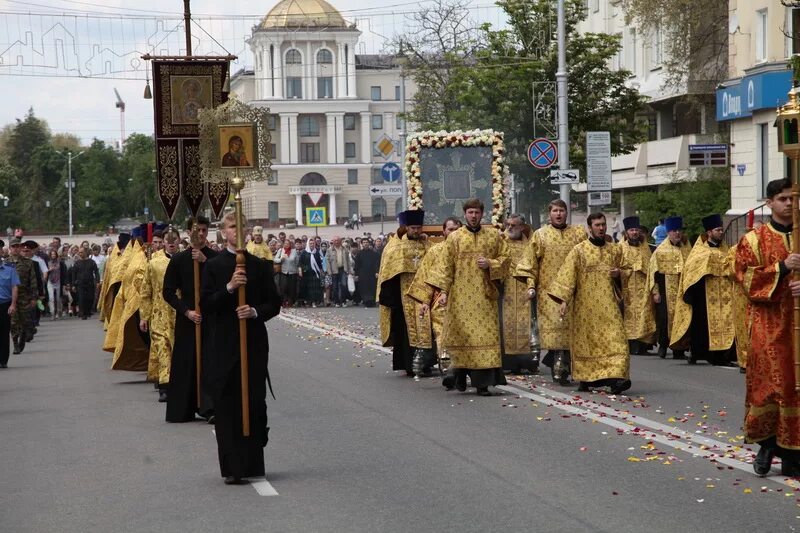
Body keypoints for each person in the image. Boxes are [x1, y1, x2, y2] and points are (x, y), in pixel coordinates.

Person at [201, 211, 281, 485]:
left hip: (254, 343)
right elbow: (207, 304)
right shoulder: (213, 266)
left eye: (241, 226)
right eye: (232, 227)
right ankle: (233, 468)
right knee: (227, 405)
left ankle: (252, 462)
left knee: (254, 402)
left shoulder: (259, 265)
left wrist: (255, 311)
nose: (237, 231)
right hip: (224, 344)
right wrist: (230, 287)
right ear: (223, 232)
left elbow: (274, 303)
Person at [734, 178, 800, 477]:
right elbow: (746, 280)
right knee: (772, 387)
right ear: (769, 202)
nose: (789, 204)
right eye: (783, 199)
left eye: (793, 198)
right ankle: (768, 445)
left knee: (797, 388)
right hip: (769, 326)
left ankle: (793, 452)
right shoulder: (753, 240)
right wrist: (783, 268)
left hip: (798, 326)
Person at [425, 199, 509, 395]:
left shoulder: (493, 237)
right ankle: (460, 376)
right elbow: (444, 267)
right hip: (460, 299)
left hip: (485, 299)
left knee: (484, 338)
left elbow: (506, 259)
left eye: (477, 212)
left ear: (482, 214)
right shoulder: (455, 239)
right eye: (470, 212)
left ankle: (482, 384)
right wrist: (442, 292)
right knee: (464, 339)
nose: (474, 216)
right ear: (465, 214)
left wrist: (490, 264)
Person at [548, 213, 631, 394]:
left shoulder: (615, 250)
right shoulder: (579, 251)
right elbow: (567, 276)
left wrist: (620, 274)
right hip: (585, 308)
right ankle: (587, 379)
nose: (601, 228)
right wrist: (563, 300)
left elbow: (628, 270)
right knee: (589, 344)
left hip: (609, 306)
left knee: (617, 340)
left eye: (603, 224)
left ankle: (618, 378)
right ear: (590, 227)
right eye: (597, 225)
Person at [514, 199, 586, 385]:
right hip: (548, 292)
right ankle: (559, 366)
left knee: (573, 330)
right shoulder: (540, 235)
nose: (559, 214)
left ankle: (568, 365)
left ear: (566, 213)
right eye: (555, 211)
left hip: (574, 291)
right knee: (555, 331)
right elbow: (531, 264)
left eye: (562, 210)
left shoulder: (578, 233)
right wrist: (531, 285)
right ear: (549, 213)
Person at [163, 216, 218, 423]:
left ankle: (209, 407)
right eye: (196, 230)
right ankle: (184, 407)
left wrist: (207, 262)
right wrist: (186, 312)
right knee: (186, 362)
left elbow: (224, 284)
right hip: (188, 319)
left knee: (210, 362)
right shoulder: (179, 260)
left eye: (204, 230)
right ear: (188, 232)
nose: (200, 234)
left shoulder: (215, 257)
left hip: (210, 317)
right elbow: (167, 292)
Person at [670, 214, 736, 366]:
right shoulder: (699, 251)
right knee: (701, 325)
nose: (721, 232)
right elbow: (692, 270)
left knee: (726, 323)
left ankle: (723, 355)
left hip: (725, 295)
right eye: (718, 230)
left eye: (721, 230)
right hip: (704, 294)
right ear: (709, 232)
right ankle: (699, 352)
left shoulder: (727, 250)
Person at [377, 211, 434, 377]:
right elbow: (387, 272)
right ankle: (409, 364)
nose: (416, 231)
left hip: (424, 294)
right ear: (406, 227)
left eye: (418, 227)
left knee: (427, 327)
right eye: (413, 228)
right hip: (403, 295)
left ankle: (426, 363)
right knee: (405, 329)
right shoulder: (395, 246)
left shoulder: (427, 245)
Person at [408, 217, 462, 388]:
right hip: (441, 302)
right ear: (443, 231)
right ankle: (448, 372)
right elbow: (425, 277)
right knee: (443, 336)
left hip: (465, 301)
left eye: (456, 229)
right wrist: (425, 301)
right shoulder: (434, 251)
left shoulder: (468, 249)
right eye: (450, 229)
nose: (453, 233)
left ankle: (466, 369)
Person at [648, 216, 692, 359]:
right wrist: (655, 292)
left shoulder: (687, 248)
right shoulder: (660, 251)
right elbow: (653, 273)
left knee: (682, 319)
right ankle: (663, 345)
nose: (677, 233)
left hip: (683, 290)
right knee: (664, 320)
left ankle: (679, 350)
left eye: (679, 230)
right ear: (668, 232)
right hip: (665, 291)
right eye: (674, 230)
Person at [141, 229, 177, 402]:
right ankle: (164, 386)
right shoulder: (154, 262)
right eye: (167, 239)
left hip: (181, 313)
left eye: (174, 239)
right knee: (162, 348)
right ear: (163, 241)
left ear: (178, 241)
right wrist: (144, 315)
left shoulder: (185, 260)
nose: (171, 242)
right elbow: (146, 290)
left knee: (177, 350)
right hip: (159, 312)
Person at [500, 214, 539, 374]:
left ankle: (527, 361)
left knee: (526, 325)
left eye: (514, 225)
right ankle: (507, 362)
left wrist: (531, 286)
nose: (510, 228)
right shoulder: (500, 243)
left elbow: (533, 267)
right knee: (505, 324)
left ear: (522, 227)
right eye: (508, 224)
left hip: (524, 290)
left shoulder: (530, 245)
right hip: (505, 290)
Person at [618, 216, 656, 355]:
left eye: (636, 230)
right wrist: (631, 269)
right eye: (632, 230)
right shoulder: (619, 248)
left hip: (644, 289)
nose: (634, 232)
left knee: (644, 316)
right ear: (626, 232)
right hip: (626, 289)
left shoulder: (646, 249)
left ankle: (643, 346)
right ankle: (629, 345)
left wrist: (654, 290)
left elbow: (652, 269)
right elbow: (616, 269)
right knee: (628, 317)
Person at [7, 237, 36, 354]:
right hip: (9, 296)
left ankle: (22, 339)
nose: (15, 248)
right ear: (10, 248)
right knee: (13, 322)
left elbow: (33, 280)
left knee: (25, 321)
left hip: (24, 295)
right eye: (13, 246)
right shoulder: (5, 263)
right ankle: (15, 344)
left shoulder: (27, 262)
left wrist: (34, 297)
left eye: (17, 246)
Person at [0, 244, 19, 368]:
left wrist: (13, 304)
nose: (1, 251)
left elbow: (14, 287)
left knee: (3, 332)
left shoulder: (9, 269)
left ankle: (3, 360)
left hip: (4, 305)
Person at [72, 247, 100, 320]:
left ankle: (88, 311)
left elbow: (96, 272)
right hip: (80, 283)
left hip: (90, 283)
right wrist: (73, 285)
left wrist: (97, 281)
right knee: (81, 298)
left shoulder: (92, 262)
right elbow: (74, 274)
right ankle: (83, 313)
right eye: (79, 252)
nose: (80, 254)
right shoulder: (77, 263)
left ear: (85, 252)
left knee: (90, 298)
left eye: (81, 252)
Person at [353, 238, 380, 307]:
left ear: (369, 243)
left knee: (372, 287)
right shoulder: (359, 254)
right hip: (363, 274)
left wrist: (377, 272)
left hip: (372, 273)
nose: (365, 243)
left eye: (367, 242)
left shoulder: (374, 253)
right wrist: (356, 275)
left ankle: (372, 301)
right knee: (364, 288)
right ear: (362, 244)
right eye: (364, 242)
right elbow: (357, 265)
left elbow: (377, 263)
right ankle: (366, 301)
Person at [326, 237, 352, 307]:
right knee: (335, 287)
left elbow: (348, 260)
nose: (336, 242)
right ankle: (336, 302)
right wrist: (329, 271)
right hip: (334, 270)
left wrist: (349, 270)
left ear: (340, 241)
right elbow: (327, 261)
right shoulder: (329, 250)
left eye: (338, 240)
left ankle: (343, 301)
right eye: (335, 241)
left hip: (343, 269)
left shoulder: (344, 249)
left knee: (344, 285)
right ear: (333, 242)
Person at [299, 239, 323, 307]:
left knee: (315, 288)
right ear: (308, 244)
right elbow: (300, 263)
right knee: (308, 288)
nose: (312, 245)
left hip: (315, 273)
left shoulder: (316, 252)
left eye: (313, 243)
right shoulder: (304, 252)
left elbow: (319, 263)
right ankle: (309, 301)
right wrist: (302, 270)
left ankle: (314, 302)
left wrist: (321, 271)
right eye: (310, 243)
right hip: (307, 273)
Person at [46, 249, 66, 320]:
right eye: (52, 254)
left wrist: (64, 284)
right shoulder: (48, 263)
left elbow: (64, 273)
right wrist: (49, 270)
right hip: (50, 281)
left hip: (58, 281)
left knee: (58, 298)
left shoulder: (60, 263)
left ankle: (59, 312)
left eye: (54, 254)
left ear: (56, 255)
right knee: (51, 298)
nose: (53, 255)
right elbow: (45, 272)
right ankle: (52, 313)